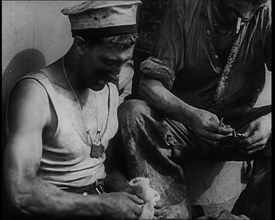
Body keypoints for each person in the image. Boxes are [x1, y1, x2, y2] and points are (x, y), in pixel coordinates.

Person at [3, 1, 157, 219]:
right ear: (81, 46)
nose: (116, 76)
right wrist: (103, 205)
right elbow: (21, 193)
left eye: (124, 63)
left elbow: (105, 165)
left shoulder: (108, 89)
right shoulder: (36, 94)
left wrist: (126, 192)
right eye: (109, 61)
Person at [118, 0, 271, 218]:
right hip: (181, 125)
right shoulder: (184, 8)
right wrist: (191, 116)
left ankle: (244, 217)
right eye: (241, 3)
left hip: (237, 129)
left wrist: (270, 121)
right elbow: (148, 85)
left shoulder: (264, 15)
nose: (246, 15)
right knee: (132, 113)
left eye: (256, 5)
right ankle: (175, 214)